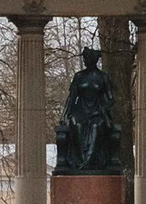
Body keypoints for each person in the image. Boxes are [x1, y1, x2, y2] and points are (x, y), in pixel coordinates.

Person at [52, 47, 122, 175]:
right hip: (81, 111)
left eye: (86, 58)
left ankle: (89, 162)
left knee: (95, 127)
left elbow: (110, 99)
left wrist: (101, 109)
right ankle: (80, 162)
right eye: (84, 58)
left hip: (97, 111)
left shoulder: (103, 76)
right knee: (77, 125)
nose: (84, 60)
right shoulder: (79, 76)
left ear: (94, 60)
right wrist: (64, 115)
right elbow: (72, 97)